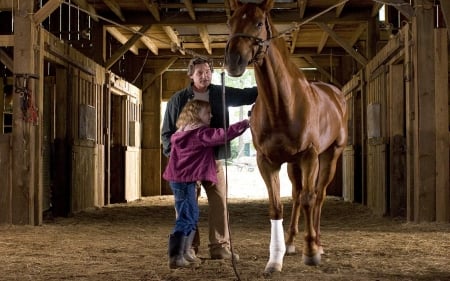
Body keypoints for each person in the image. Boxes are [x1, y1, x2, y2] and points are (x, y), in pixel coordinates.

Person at [161, 57, 257, 260]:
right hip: (187, 166)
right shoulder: (178, 100)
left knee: (219, 202)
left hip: (214, 160)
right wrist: (179, 156)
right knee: (187, 207)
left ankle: (219, 246)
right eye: (199, 72)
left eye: (207, 71)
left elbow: (248, 95)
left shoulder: (220, 93)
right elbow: (167, 133)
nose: (204, 76)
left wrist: (268, 83)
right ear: (190, 75)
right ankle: (188, 248)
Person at [163, 99, 250, 269]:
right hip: (184, 181)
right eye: (207, 113)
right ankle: (176, 256)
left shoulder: (182, 133)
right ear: (196, 115)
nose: (211, 115)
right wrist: (246, 123)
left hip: (181, 180)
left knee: (191, 215)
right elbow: (223, 134)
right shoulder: (199, 134)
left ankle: (186, 251)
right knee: (186, 217)